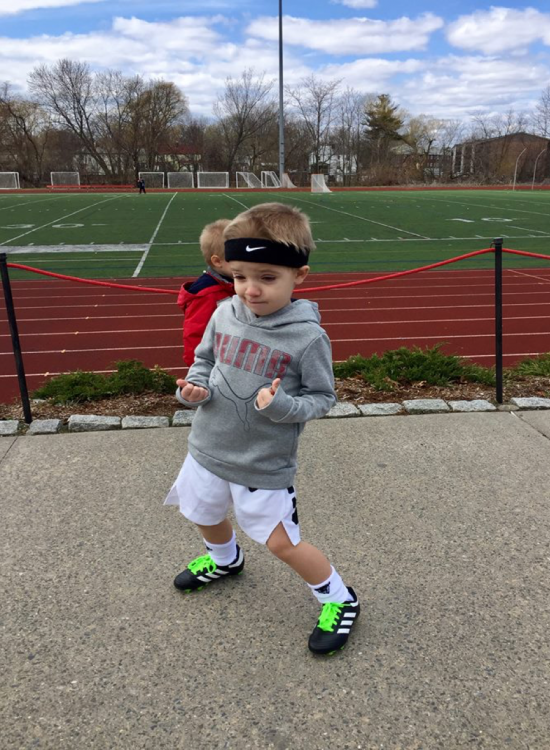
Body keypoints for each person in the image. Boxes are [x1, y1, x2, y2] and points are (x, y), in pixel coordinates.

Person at [164, 202, 360, 655]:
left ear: (299, 275)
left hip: (261, 463)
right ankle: (225, 559)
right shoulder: (223, 311)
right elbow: (204, 362)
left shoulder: (307, 337)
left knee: (282, 544)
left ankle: (339, 597)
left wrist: (282, 405)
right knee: (202, 512)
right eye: (240, 276)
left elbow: (323, 398)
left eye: (267, 277)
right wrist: (192, 389)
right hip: (207, 447)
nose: (250, 290)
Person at [177, 219, 235, 367]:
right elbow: (195, 336)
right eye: (238, 258)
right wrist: (198, 373)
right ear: (217, 261)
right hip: (216, 366)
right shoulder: (207, 294)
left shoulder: (238, 283)